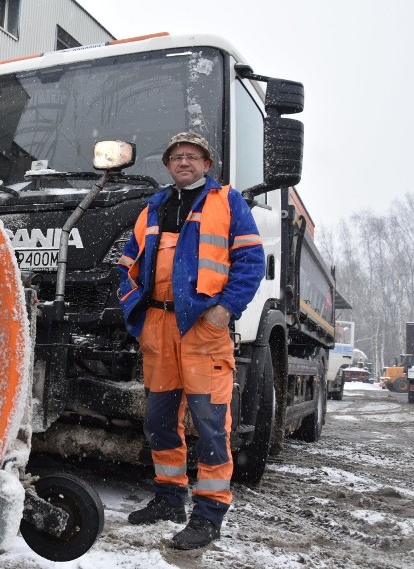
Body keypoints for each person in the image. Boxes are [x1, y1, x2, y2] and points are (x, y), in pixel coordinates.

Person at [116, 132, 265, 549]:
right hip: (159, 327)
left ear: (206, 164)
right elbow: (128, 262)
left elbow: (251, 260)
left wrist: (225, 309)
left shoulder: (227, 201)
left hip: (204, 328)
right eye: (177, 156)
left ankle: (209, 513)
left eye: (193, 156)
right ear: (168, 165)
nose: (184, 162)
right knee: (159, 420)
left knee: (210, 423)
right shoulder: (154, 206)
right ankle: (169, 498)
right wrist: (135, 309)